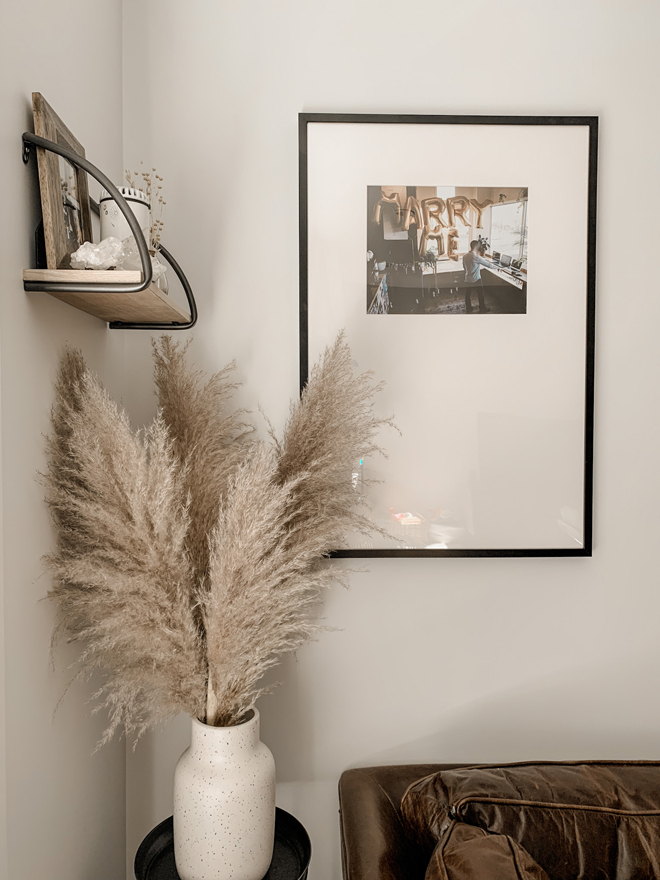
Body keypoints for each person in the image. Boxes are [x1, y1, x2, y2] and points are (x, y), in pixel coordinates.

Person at [461, 240, 492, 313]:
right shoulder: (476, 257)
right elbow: (488, 265)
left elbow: (464, 267)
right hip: (476, 279)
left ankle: (468, 309)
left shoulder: (465, 256)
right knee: (481, 294)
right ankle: (482, 309)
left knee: (467, 295)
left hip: (467, 278)